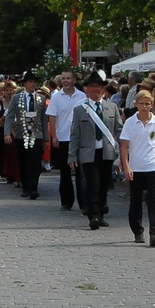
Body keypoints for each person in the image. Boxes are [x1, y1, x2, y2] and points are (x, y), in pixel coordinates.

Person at [69, 71, 123, 230]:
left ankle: (101, 213)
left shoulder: (112, 107)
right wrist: (72, 156)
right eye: (92, 86)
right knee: (92, 182)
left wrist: (125, 152)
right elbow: (75, 134)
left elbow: (119, 131)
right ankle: (93, 215)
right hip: (87, 152)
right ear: (86, 89)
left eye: (99, 86)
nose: (96, 90)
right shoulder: (80, 109)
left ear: (104, 89)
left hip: (106, 152)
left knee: (104, 183)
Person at [120, 86, 155, 246]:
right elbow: (124, 146)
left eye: (148, 104)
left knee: (153, 199)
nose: (145, 107)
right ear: (136, 104)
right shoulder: (130, 123)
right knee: (135, 201)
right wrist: (126, 167)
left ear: (152, 105)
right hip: (136, 167)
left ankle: (154, 231)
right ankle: (137, 231)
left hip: (152, 166)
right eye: (142, 103)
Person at [46, 71, 87, 210]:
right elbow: (52, 117)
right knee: (64, 172)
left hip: (79, 138)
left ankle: (83, 202)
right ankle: (66, 202)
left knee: (81, 172)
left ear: (74, 80)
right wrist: (54, 136)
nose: (65, 81)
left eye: (68, 78)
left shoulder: (82, 96)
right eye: (63, 78)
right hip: (62, 137)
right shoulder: (56, 97)